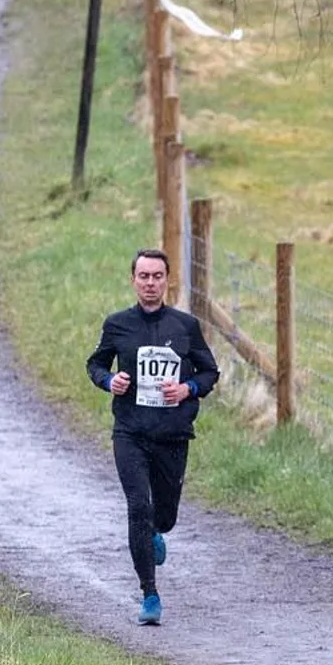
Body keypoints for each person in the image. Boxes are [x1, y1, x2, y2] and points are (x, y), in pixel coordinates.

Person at [85, 249, 221, 626]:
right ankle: (150, 593)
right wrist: (110, 380)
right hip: (130, 432)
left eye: (157, 276)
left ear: (167, 281)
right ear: (133, 280)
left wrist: (188, 388)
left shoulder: (185, 326)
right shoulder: (117, 325)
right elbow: (95, 364)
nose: (150, 283)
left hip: (172, 434)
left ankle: (156, 532)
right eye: (143, 276)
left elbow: (210, 372)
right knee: (138, 508)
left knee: (164, 516)